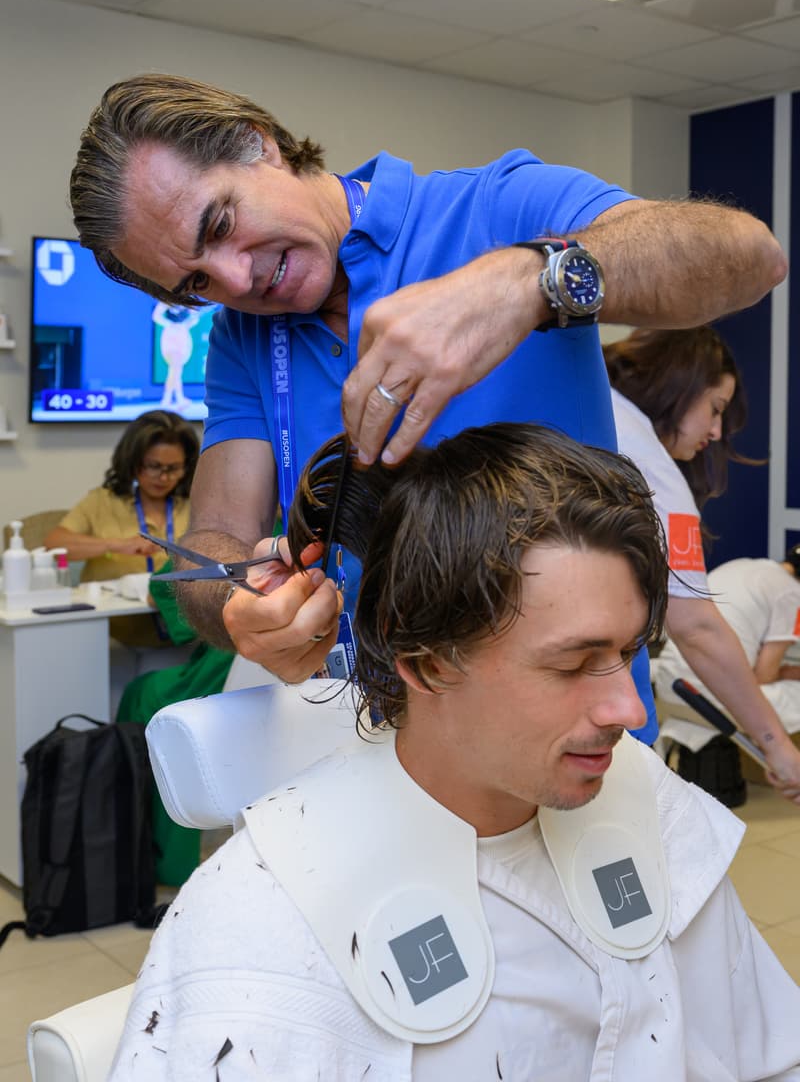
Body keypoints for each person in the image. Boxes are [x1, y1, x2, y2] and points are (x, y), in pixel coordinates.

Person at [69, 73, 787, 738]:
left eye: (219, 223)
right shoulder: (242, 337)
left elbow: (748, 256)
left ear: (259, 144)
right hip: (383, 739)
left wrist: (523, 283)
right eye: (195, 284)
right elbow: (214, 536)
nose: (235, 279)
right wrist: (239, 605)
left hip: (575, 726)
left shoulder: (490, 208)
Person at [107, 424, 800, 1082]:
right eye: (572, 664)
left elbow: (767, 1052)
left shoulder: (642, 798)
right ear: (428, 662)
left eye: (626, 654)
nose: (632, 710)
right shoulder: (264, 911)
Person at [604, 327, 800, 802]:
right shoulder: (654, 471)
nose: (716, 432)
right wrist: (777, 746)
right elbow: (699, 629)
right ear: (680, 383)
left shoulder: (593, 410)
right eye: (715, 408)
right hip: (611, 694)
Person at [116, 559, 235, 886]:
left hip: (217, 680)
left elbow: (163, 586)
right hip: (275, 685)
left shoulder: (240, 531)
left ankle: (139, 848)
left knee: (143, 692)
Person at [45, 409, 199, 646]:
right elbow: (54, 545)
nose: (164, 477)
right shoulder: (103, 501)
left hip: (185, 632)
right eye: (154, 466)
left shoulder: (195, 504)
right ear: (133, 461)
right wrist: (117, 545)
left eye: (173, 468)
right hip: (115, 633)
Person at [653, 547, 800, 738]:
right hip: (716, 695)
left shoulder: (740, 564)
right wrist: (786, 672)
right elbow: (764, 675)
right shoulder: (792, 593)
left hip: (671, 685)